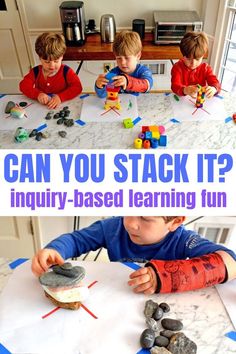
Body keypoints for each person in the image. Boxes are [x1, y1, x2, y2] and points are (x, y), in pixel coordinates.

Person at [31, 216, 236, 295]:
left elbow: (230, 262)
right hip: (116, 299)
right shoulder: (113, 227)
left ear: (174, 222)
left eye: (145, 218)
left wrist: (166, 276)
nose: (130, 223)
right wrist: (55, 250)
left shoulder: (183, 240)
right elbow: (77, 240)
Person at [19, 32, 82, 109]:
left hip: (63, 106)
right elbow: (23, 86)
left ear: (62, 57)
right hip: (41, 108)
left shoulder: (66, 71)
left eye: (56, 61)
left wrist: (60, 97)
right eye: (47, 62)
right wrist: (37, 94)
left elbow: (77, 87)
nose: (52, 66)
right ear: (40, 58)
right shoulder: (35, 72)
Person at [95, 31, 153, 98]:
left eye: (127, 58)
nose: (122, 62)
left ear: (138, 56)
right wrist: (99, 86)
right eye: (119, 58)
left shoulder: (144, 71)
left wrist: (128, 81)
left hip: (139, 105)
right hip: (121, 105)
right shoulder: (114, 73)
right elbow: (103, 95)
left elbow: (147, 86)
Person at [171, 31, 221, 98]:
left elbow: (216, 83)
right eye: (188, 59)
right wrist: (185, 90)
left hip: (199, 100)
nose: (193, 63)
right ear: (183, 55)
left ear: (203, 56)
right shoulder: (177, 67)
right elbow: (174, 86)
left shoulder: (206, 68)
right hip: (181, 100)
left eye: (197, 59)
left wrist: (214, 89)